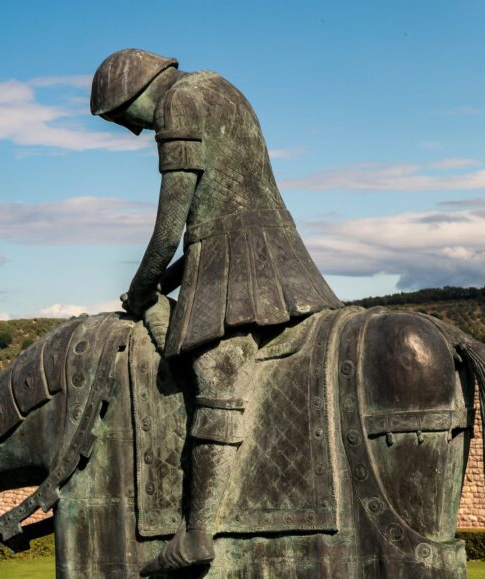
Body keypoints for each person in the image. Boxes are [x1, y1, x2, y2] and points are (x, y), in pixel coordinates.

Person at [91, 49, 343, 574]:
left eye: (121, 119)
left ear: (137, 93)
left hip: (240, 262)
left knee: (215, 377)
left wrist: (142, 286)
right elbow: (226, 206)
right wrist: (176, 274)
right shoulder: (220, 87)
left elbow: (172, 219)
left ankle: (197, 531)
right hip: (270, 248)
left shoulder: (178, 104)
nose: (131, 132)